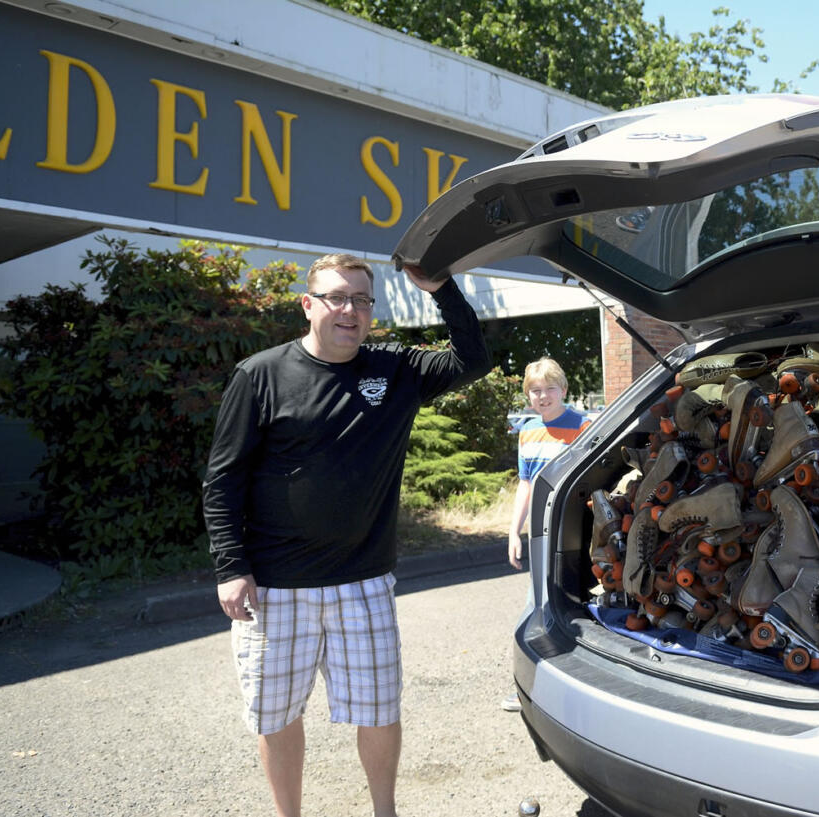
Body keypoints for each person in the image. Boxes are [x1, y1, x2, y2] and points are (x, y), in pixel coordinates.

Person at [203, 253, 489, 817]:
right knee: (278, 715)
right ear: (308, 305)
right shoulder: (260, 375)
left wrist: (442, 289)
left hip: (364, 582)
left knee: (380, 709)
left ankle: (385, 811)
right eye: (336, 297)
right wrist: (231, 567)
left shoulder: (395, 370)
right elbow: (223, 478)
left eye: (361, 299)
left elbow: (472, 358)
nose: (349, 310)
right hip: (276, 588)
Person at [500, 357, 591, 711]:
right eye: (535, 391)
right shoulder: (527, 430)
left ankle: (561, 685)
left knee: (567, 605)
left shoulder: (583, 426)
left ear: (564, 390)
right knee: (537, 606)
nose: (543, 396)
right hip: (540, 532)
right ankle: (531, 685)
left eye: (550, 389)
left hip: (574, 532)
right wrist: (514, 531)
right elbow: (525, 484)